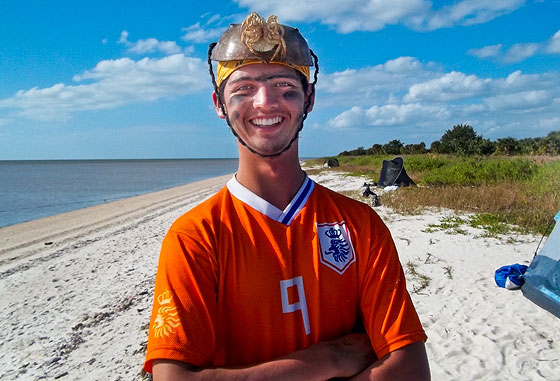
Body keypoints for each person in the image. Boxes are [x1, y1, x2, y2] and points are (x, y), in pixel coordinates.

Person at [144, 11, 430, 380]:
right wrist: (328, 359)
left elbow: (410, 368)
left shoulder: (361, 226)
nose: (265, 103)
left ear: (309, 99)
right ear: (219, 104)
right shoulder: (195, 237)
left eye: (285, 87)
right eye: (243, 88)